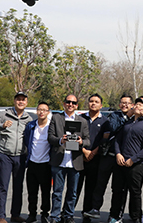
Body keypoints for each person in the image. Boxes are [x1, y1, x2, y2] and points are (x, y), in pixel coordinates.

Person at [84, 94, 134, 223]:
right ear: (119, 105)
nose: (125, 105)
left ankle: (114, 215)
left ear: (132, 105)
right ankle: (95, 208)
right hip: (108, 155)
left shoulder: (136, 119)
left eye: (128, 103)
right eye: (122, 103)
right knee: (100, 183)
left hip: (123, 158)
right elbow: (114, 128)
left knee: (118, 189)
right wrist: (127, 116)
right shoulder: (114, 116)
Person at [0, 91, 34, 223]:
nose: (21, 102)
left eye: (23, 100)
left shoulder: (29, 119)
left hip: (21, 156)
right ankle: (1, 216)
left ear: (26, 102)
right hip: (5, 155)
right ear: (14, 101)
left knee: (18, 186)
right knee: (3, 186)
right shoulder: (4, 114)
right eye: (18, 99)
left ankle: (15, 214)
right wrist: (2, 126)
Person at [48, 94, 91, 223]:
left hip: (75, 161)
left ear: (77, 105)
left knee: (72, 192)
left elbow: (88, 140)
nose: (70, 104)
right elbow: (50, 137)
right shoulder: (56, 118)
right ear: (64, 104)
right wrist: (60, 140)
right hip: (59, 161)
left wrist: (81, 141)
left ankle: (68, 215)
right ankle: (55, 216)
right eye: (68, 102)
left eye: (73, 103)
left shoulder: (82, 121)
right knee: (57, 192)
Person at [113, 97, 143, 223]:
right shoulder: (127, 123)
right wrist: (118, 154)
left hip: (136, 164)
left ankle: (136, 217)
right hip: (121, 162)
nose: (137, 106)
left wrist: (133, 159)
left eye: (141, 105)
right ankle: (115, 216)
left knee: (135, 192)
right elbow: (117, 140)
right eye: (136, 104)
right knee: (117, 190)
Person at [77, 94, 108, 223]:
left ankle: (86, 214)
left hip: (95, 159)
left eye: (96, 102)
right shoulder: (80, 118)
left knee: (90, 188)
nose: (93, 103)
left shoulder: (105, 121)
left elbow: (104, 140)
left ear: (101, 105)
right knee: (75, 188)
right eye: (91, 101)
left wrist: (93, 153)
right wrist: (84, 151)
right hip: (79, 158)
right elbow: (74, 136)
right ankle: (67, 213)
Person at [23, 102, 53, 223]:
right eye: (39, 109)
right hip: (32, 163)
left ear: (48, 112)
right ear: (36, 111)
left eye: (44, 110)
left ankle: (45, 214)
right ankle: (32, 214)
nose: (41, 112)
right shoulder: (31, 126)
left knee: (45, 193)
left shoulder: (51, 127)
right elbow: (26, 141)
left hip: (46, 164)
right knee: (32, 193)